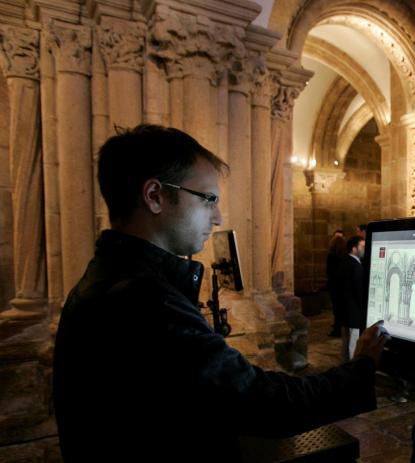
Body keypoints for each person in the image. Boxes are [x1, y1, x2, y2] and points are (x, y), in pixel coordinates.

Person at [52, 125, 388, 462]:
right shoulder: (142, 300)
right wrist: (359, 369)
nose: (218, 217)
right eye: (208, 199)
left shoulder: (109, 276)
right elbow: (263, 403)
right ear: (154, 196)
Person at [339, 235, 365, 361]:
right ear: (354, 248)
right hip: (354, 312)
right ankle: (352, 367)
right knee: (354, 344)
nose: (364, 249)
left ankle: (345, 365)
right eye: (362, 246)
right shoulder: (356, 266)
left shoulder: (345, 262)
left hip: (345, 311)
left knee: (346, 341)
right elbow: (359, 291)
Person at [326, 233, 346, 337]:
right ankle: (341, 327)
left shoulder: (331, 256)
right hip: (343, 285)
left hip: (334, 285)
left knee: (336, 308)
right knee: (342, 308)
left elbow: (328, 271)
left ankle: (337, 329)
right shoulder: (345, 256)